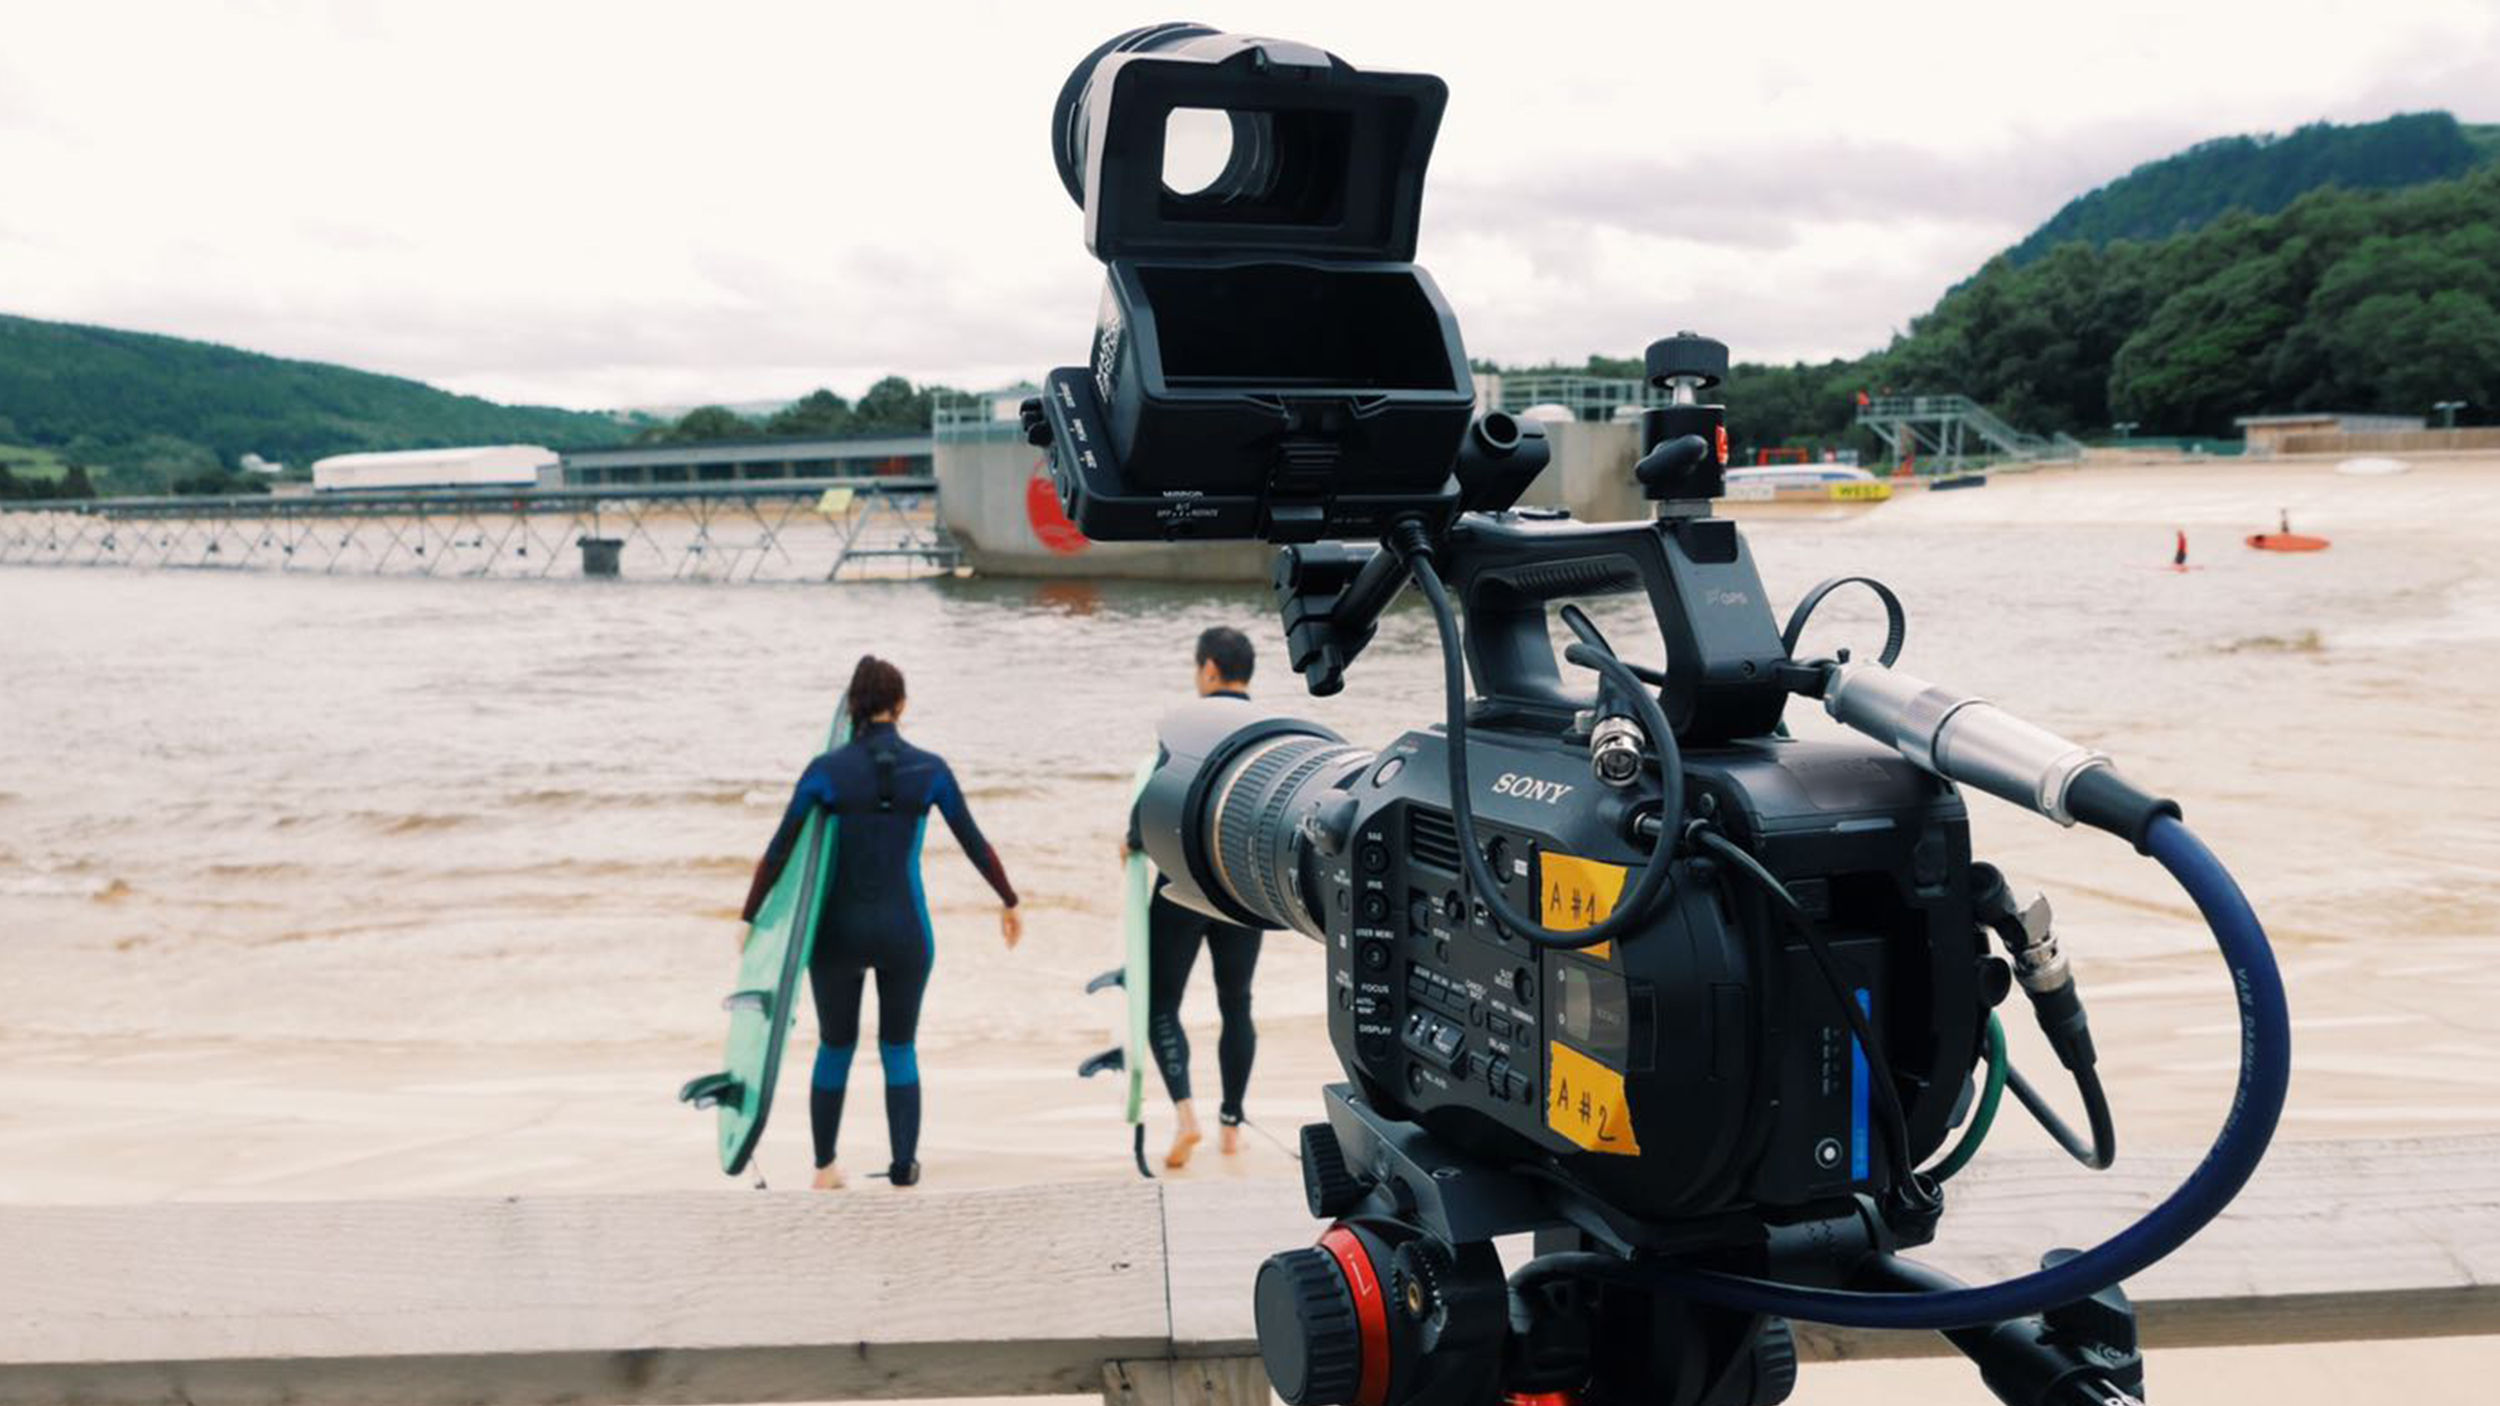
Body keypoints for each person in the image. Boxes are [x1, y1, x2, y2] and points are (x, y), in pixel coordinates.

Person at [742, 654, 1021, 1190]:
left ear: (852, 708)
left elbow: (778, 852)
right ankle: (902, 1168)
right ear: (902, 706)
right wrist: (1009, 899)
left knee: (835, 1046)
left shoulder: (825, 771)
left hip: (835, 935)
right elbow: (974, 843)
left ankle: (825, 1168)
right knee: (899, 1047)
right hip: (904, 933)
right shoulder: (931, 770)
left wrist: (749, 915)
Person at [1125, 626, 1267, 1169]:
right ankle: (1231, 1127)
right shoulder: (1263, 728)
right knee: (1237, 1003)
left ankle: (1185, 1114)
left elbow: (1148, 810)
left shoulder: (1183, 727)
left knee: (1163, 1004)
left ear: (1208, 669)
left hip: (1181, 886)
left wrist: (1131, 842)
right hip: (1240, 889)